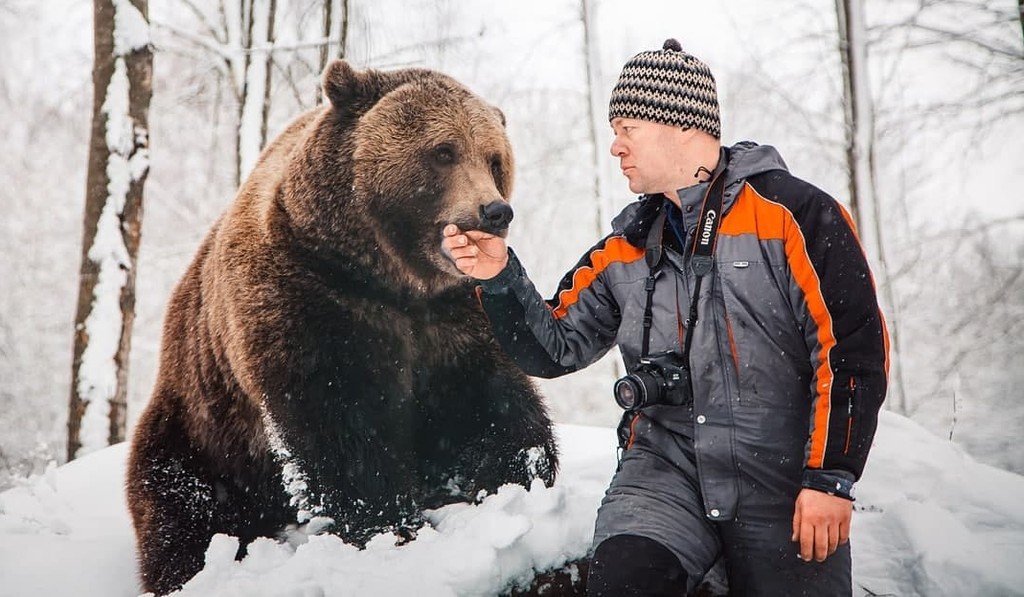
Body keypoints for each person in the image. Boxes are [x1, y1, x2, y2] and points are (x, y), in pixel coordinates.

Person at [443, 39, 888, 596]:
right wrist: (498, 275)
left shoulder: (795, 215)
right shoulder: (627, 245)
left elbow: (852, 350)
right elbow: (554, 347)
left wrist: (829, 478)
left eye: (627, 128)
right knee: (625, 578)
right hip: (664, 477)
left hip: (783, 480)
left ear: (680, 126)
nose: (615, 146)